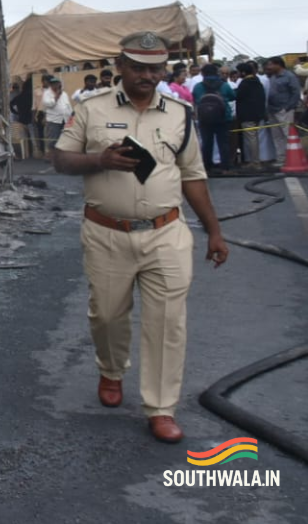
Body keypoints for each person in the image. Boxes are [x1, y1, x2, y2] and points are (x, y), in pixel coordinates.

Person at [51, 31, 228, 444]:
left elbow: (193, 176)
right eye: (138, 67)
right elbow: (59, 159)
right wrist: (100, 159)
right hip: (106, 233)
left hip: (166, 233)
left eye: (155, 68)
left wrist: (215, 232)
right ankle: (111, 370)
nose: (148, 75)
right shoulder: (91, 110)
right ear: (121, 65)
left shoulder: (180, 113)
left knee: (167, 323)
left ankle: (161, 407)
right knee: (107, 316)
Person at [190, 64, 235, 174]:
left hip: (204, 118)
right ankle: (225, 168)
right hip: (223, 117)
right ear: (217, 73)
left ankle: (207, 167)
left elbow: (195, 99)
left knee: (206, 143)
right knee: (223, 143)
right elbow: (232, 96)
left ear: (202, 73)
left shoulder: (198, 86)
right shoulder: (224, 85)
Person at [263, 57, 303, 168]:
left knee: (288, 135)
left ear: (278, 65)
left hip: (284, 110)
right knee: (277, 136)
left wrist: (288, 108)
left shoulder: (289, 76)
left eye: (270, 65)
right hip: (272, 109)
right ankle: (281, 158)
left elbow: (296, 93)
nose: (268, 67)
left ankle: (293, 158)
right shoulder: (271, 76)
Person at [234, 61, 266, 170]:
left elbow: (237, 96)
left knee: (251, 138)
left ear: (243, 72)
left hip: (247, 115)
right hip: (257, 114)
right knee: (254, 137)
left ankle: (255, 162)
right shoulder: (256, 81)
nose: (237, 74)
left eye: (238, 72)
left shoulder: (245, 83)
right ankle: (254, 161)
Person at [41, 77, 72, 147]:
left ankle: (62, 156)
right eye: (54, 84)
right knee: (53, 140)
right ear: (51, 85)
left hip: (65, 120)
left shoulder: (64, 94)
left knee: (65, 140)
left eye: (57, 83)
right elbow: (49, 104)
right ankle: (53, 156)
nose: (56, 85)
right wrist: (57, 96)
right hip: (54, 121)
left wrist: (71, 117)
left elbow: (68, 106)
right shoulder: (47, 93)